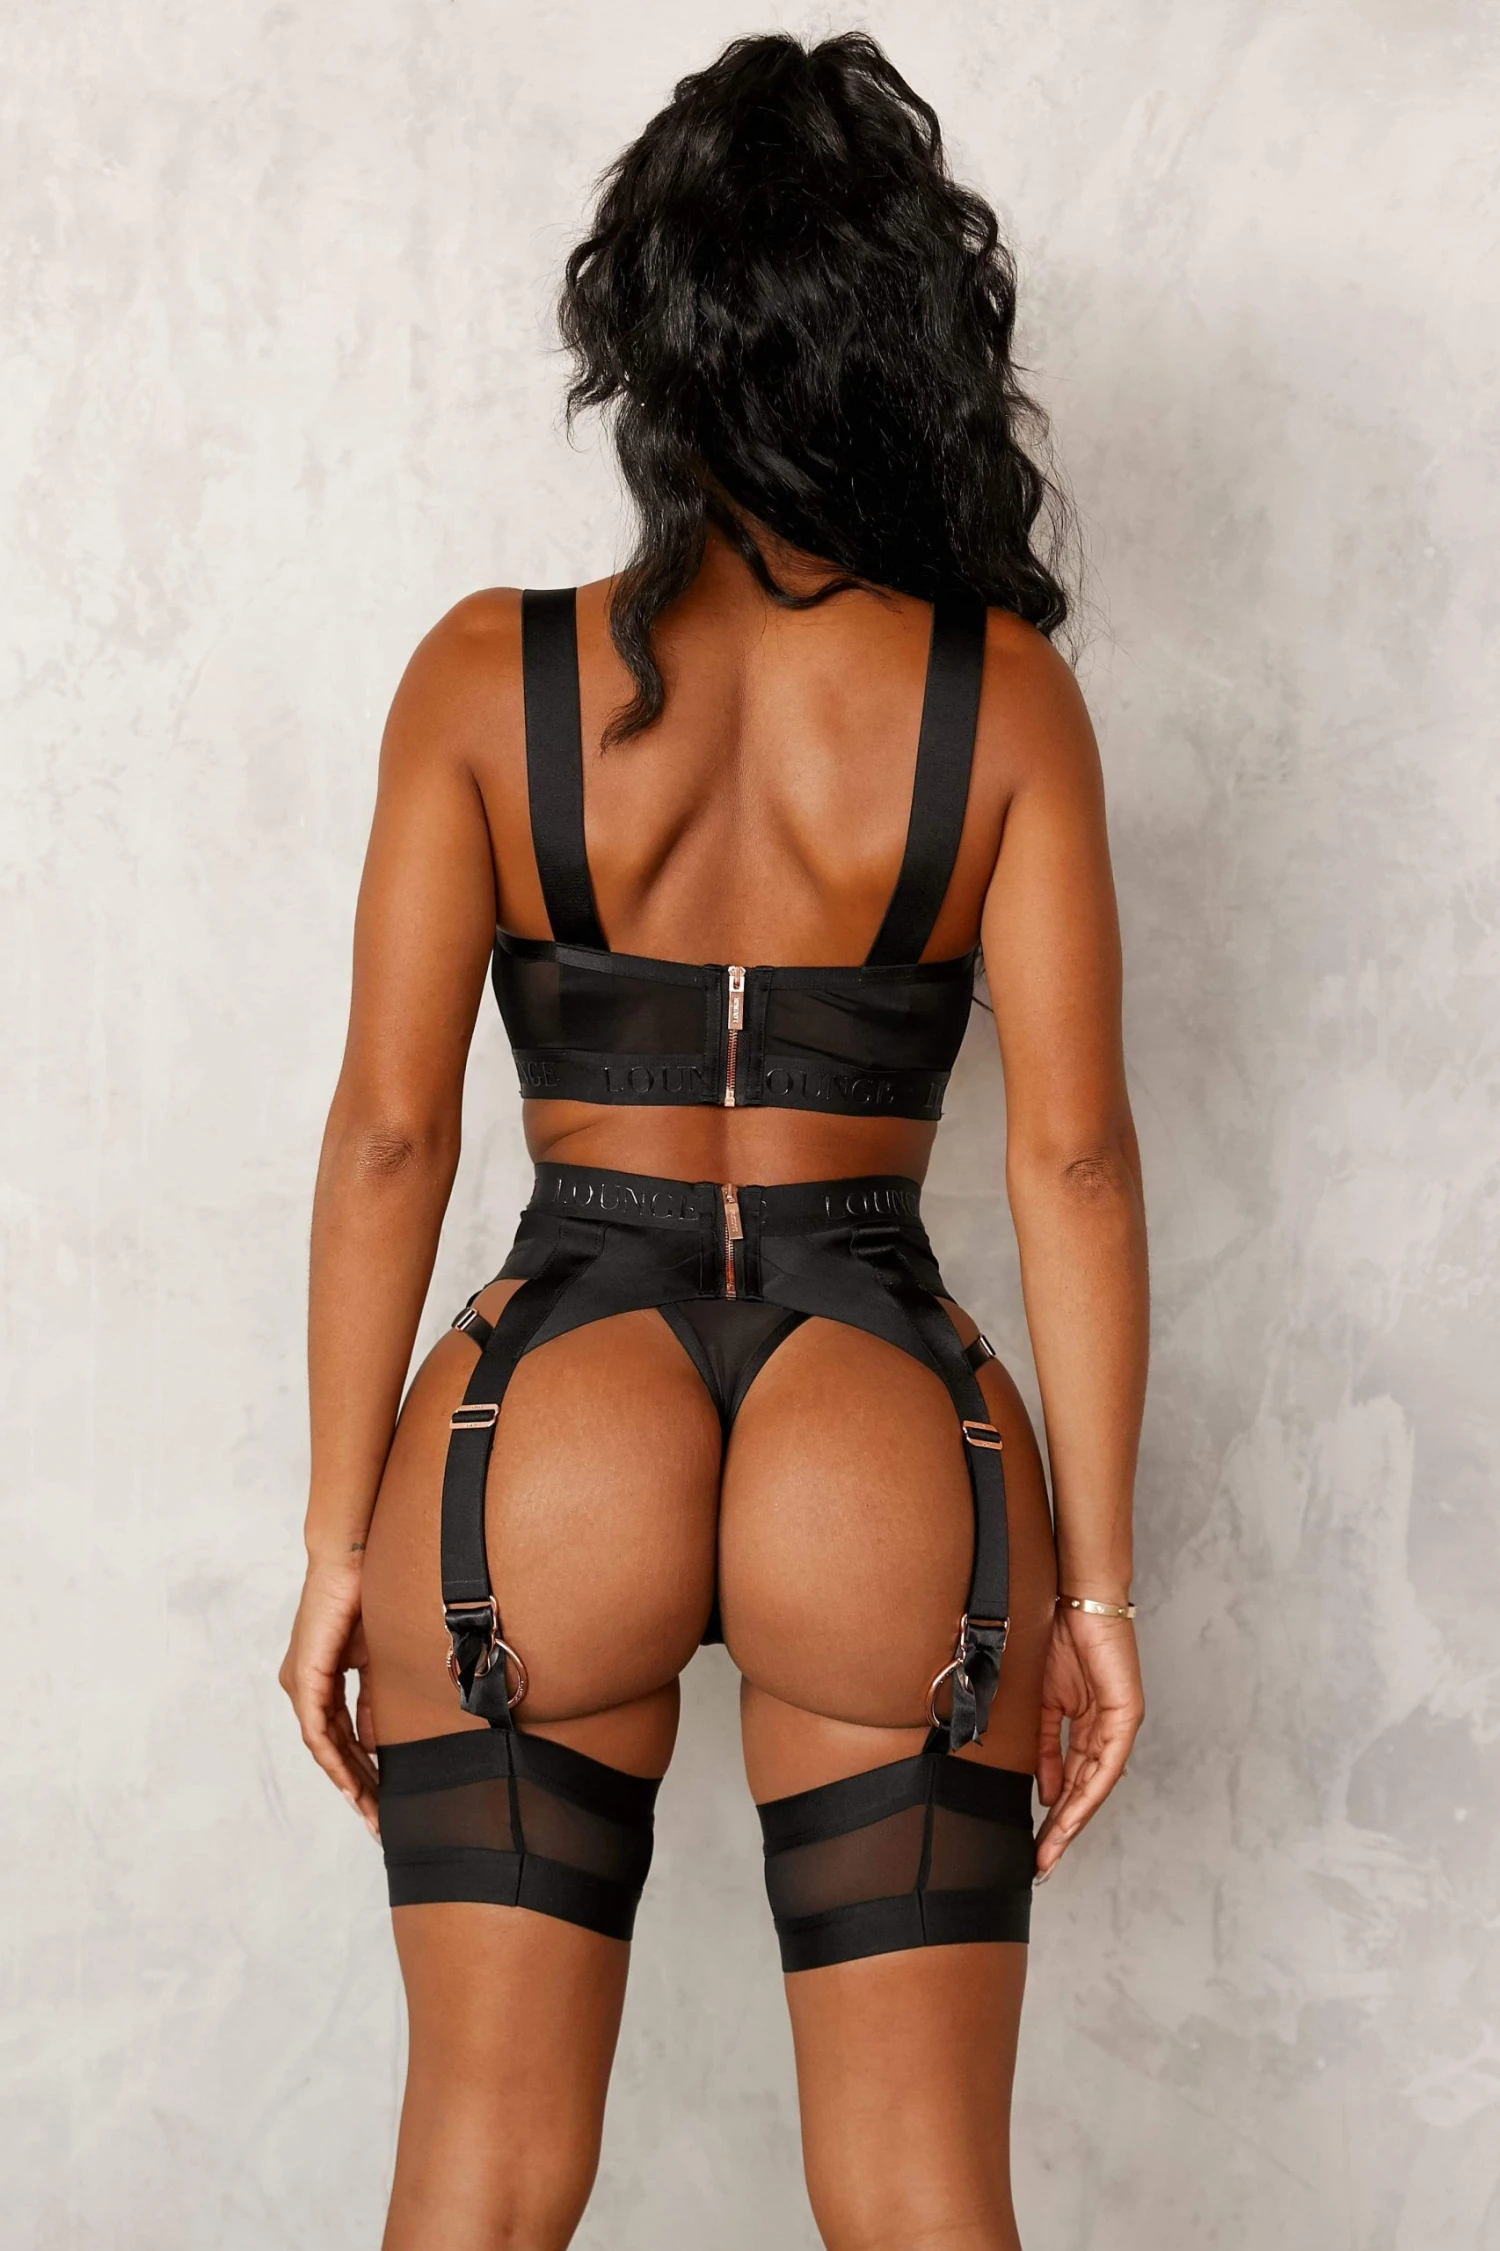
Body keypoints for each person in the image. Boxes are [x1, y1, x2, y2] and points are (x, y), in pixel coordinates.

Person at [279, 30, 1147, 2251]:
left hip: (545, 1411)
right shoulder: (1001, 702)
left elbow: (389, 1139)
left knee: (478, 2180)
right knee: (921, 2197)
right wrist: (1099, 1592)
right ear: (910, 340)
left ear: (647, 337)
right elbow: (1071, 1166)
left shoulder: (483, 679)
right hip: (884, 1408)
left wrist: (341, 1540)